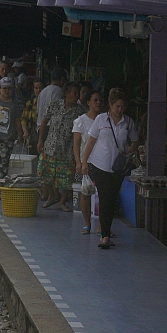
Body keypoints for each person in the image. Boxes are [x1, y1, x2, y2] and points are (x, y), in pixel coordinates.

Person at [81, 88, 139, 249]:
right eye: (117, 107)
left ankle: (105, 231)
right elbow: (90, 142)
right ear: (111, 105)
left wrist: (129, 153)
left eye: (122, 107)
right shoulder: (101, 120)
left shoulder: (128, 122)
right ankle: (105, 235)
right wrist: (84, 161)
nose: (120, 110)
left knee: (111, 200)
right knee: (105, 197)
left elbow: (135, 140)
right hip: (100, 164)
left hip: (118, 167)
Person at [38, 82, 85, 211]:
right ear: (67, 94)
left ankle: (62, 202)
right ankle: (52, 196)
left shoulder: (79, 111)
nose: (76, 96)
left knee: (66, 178)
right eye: (74, 93)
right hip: (50, 146)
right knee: (45, 175)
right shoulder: (55, 105)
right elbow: (44, 121)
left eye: (77, 94)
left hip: (67, 149)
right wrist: (40, 140)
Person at [73, 88, 102, 234]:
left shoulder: (103, 119)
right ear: (89, 102)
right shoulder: (80, 121)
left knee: (103, 194)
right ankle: (87, 222)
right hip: (87, 161)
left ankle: (101, 225)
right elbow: (77, 144)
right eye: (95, 100)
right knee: (86, 193)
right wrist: (79, 162)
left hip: (102, 162)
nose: (98, 103)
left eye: (99, 100)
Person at [37, 69, 66, 203]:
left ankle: (45, 192)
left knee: (45, 161)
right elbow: (57, 111)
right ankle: (52, 193)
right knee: (53, 163)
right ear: (61, 80)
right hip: (50, 129)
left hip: (40, 127)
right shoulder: (58, 92)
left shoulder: (43, 91)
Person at [21, 79, 43, 155]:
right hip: (31, 137)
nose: (38, 90)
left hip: (43, 136)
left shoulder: (47, 103)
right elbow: (24, 119)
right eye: (36, 88)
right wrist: (25, 131)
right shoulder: (29, 103)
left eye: (40, 88)